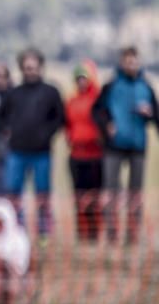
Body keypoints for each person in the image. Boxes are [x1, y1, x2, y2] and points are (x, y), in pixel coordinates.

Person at [0, 47, 65, 238]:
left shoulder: (51, 92)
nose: (30, 71)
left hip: (41, 153)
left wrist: (47, 134)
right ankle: (17, 230)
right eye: (26, 67)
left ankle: (43, 233)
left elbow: (59, 119)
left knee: (42, 194)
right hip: (17, 152)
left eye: (33, 67)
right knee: (13, 193)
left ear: (41, 67)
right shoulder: (14, 93)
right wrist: (6, 132)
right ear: (21, 68)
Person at [92, 46, 158, 244]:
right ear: (122, 63)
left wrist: (150, 113)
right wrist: (106, 126)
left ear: (138, 62)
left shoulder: (146, 86)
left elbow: (156, 116)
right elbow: (97, 111)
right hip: (114, 146)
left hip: (138, 146)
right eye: (128, 61)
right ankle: (112, 232)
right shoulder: (110, 86)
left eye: (134, 61)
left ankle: (133, 233)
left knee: (135, 192)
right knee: (111, 190)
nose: (131, 65)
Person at [64, 60, 104, 241]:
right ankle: (82, 232)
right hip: (76, 155)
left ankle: (95, 232)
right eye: (78, 78)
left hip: (95, 155)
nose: (81, 82)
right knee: (79, 196)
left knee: (94, 195)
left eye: (85, 78)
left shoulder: (99, 99)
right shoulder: (71, 100)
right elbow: (67, 124)